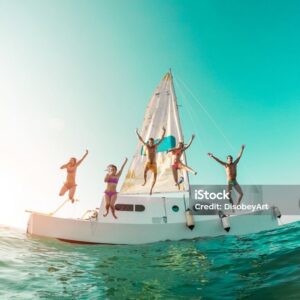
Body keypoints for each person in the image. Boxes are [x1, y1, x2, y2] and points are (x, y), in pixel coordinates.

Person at [136, 127, 166, 195]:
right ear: (148, 142)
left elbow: (161, 139)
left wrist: (164, 131)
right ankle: (145, 181)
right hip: (148, 163)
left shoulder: (155, 146)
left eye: (152, 142)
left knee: (155, 178)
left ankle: (151, 189)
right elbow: (141, 139)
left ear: (153, 142)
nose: (151, 143)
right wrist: (136, 132)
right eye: (150, 142)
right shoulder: (146, 146)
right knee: (144, 172)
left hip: (154, 164)